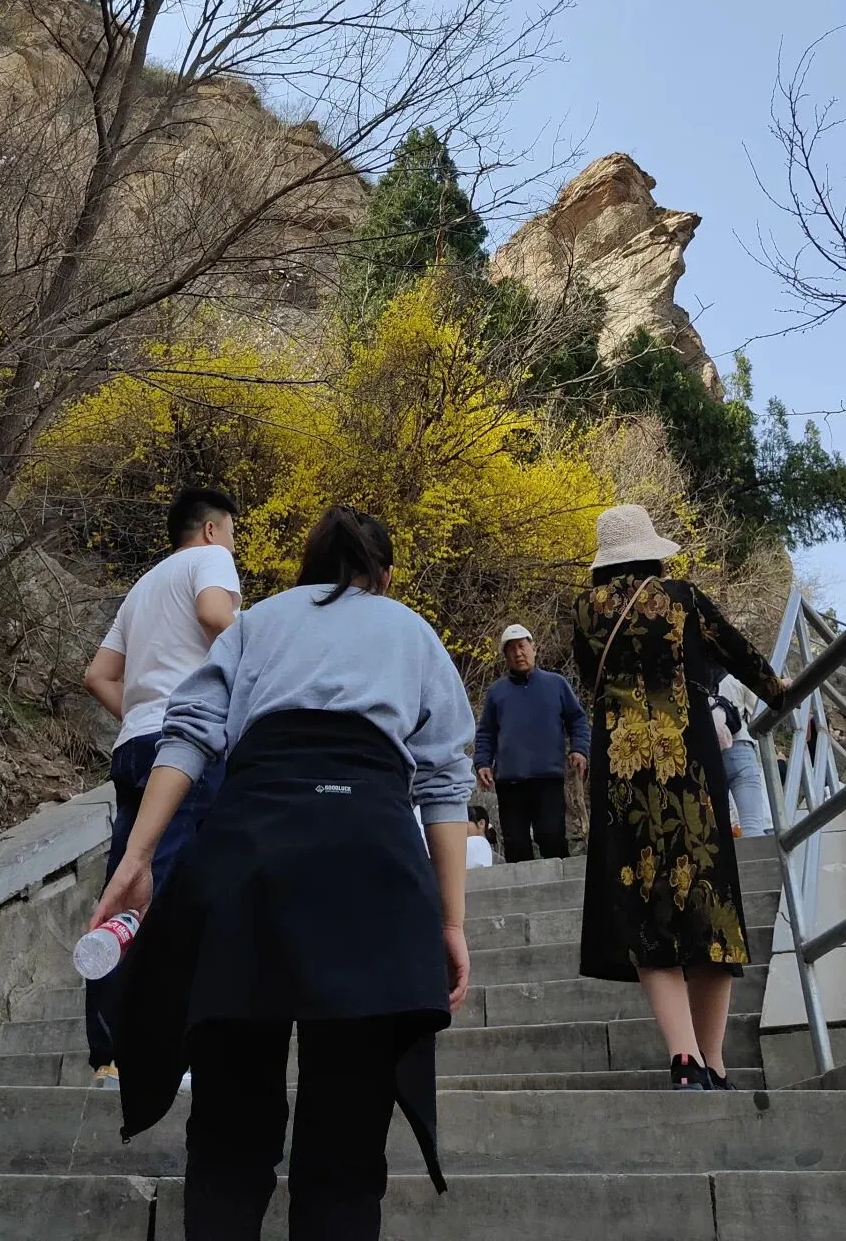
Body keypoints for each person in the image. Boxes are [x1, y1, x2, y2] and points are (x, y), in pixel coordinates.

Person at [88, 505, 475, 1241]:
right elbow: (443, 784)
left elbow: (188, 733)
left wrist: (136, 858)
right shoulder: (414, 632)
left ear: (306, 570)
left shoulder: (257, 623)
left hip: (248, 861)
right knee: (347, 1147)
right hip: (372, 868)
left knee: (229, 1133)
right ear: (386, 576)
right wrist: (450, 921)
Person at [573, 504, 787, 1093]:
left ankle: (685, 1059)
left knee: (645, 901)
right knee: (708, 899)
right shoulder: (683, 598)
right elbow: (738, 653)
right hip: (687, 759)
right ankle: (714, 1062)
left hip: (622, 770)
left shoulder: (585, 610)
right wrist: (777, 690)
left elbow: (592, 677)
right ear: (652, 551)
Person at [81, 485, 242, 1082]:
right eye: (231, 533)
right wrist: (261, 654)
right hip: (188, 747)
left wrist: (143, 714)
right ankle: (161, 1051)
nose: (232, 547)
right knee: (174, 892)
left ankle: (110, 1053)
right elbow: (214, 616)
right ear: (211, 529)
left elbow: (98, 675)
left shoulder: (142, 588)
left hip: (135, 746)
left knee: (125, 887)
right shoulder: (211, 559)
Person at [474, 624, 590, 863]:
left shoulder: (556, 684)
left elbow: (577, 719)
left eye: (522, 646)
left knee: (551, 837)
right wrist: (482, 762)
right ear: (505, 656)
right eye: (511, 650)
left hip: (548, 777)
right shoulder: (496, 692)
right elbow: (486, 733)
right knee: (516, 845)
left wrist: (579, 749)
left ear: (533, 648)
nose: (518, 653)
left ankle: (561, 884)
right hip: (509, 781)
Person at [717, 673, 769, 837]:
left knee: (721, 827)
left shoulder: (693, 675)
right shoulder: (737, 675)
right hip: (740, 745)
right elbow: (758, 713)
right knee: (751, 823)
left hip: (710, 753)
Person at [466, 804, 494, 869]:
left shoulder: (478, 841)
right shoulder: (484, 846)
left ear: (481, 823)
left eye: (465, 821)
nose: (461, 827)